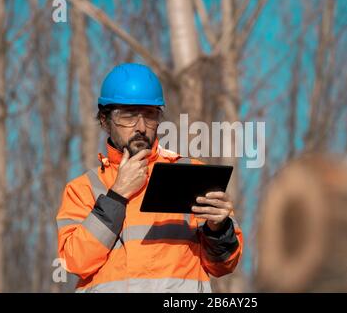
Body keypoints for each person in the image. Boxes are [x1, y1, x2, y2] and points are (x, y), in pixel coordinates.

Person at [56, 63, 243, 293]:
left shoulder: (192, 175)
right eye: (128, 116)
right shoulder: (83, 188)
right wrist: (116, 197)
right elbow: (74, 262)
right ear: (104, 121)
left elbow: (223, 265)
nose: (141, 127)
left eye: (150, 115)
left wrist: (219, 228)